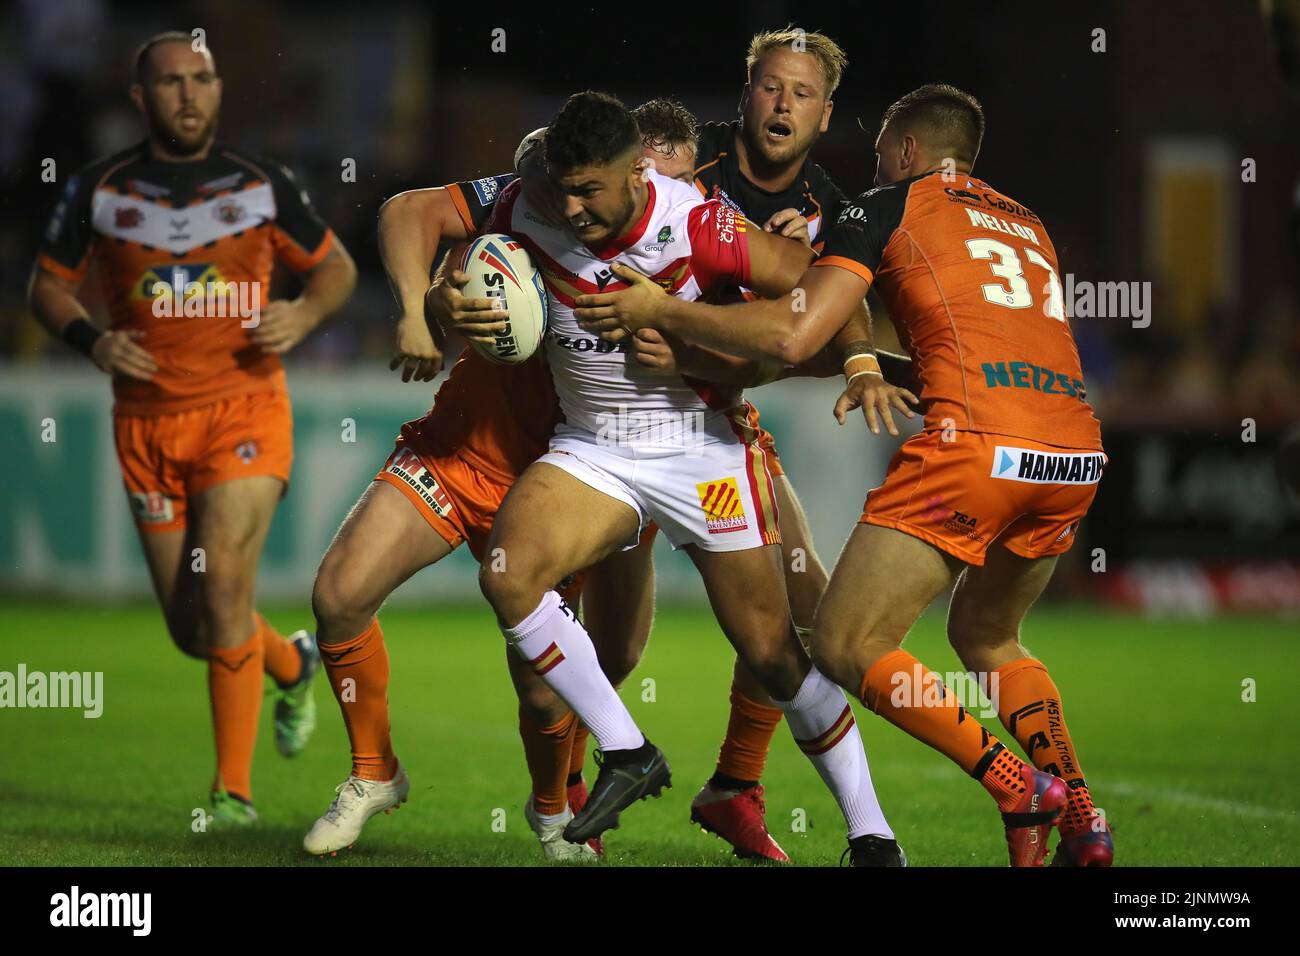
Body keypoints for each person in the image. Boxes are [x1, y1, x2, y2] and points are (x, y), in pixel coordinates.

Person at [573, 83, 1115, 867]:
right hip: (1072, 450)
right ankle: (1086, 823)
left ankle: (1017, 784)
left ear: (902, 150)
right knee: (990, 637)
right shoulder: (1027, 222)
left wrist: (664, 314)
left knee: (843, 639)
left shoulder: (881, 206)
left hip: (975, 445)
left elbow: (796, 337)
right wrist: (857, 356)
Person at [475, 90, 904, 865]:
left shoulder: (695, 221)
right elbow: (426, 225)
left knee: (773, 652)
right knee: (510, 576)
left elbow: (806, 288)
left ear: (635, 171)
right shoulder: (522, 206)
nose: (571, 208)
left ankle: (873, 835)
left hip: (700, 446)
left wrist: (674, 319)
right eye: (563, 188)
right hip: (594, 449)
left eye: (590, 190)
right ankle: (627, 750)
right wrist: (441, 299)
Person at [27, 32, 357, 824]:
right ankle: (290, 661)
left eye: (201, 79)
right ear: (141, 98)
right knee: (193, 627)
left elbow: (337, 268)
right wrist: (94, 340)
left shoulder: (262, 184)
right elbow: (47, 289)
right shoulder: (99, 190)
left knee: (225, 590)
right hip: (146, 424)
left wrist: (303, 312)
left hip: (243, 409)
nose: (187, 93)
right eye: (170, 82)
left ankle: (232, 794)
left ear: (217, 90)